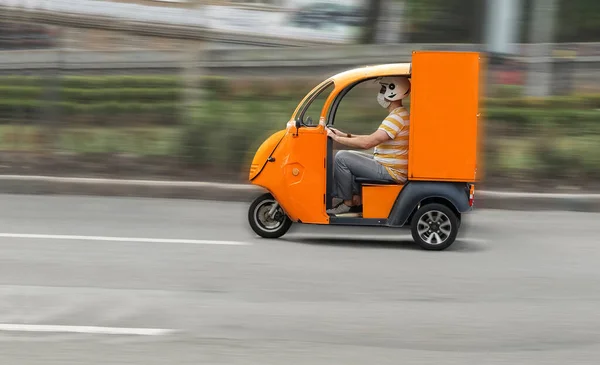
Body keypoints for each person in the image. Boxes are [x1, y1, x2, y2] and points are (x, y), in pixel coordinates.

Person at [326, 76, 411, 216]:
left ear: (393, 92)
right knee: (351, 157)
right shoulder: (400, 115)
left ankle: (347, 204)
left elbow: (368, 143)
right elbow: (371, 138)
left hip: (391, 171)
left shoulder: (396, 118)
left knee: (342, 158)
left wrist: (336, 138)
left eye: (383, 89)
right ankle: (357, 200)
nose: (380, 93)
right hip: (387, 164)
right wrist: (343, 135)